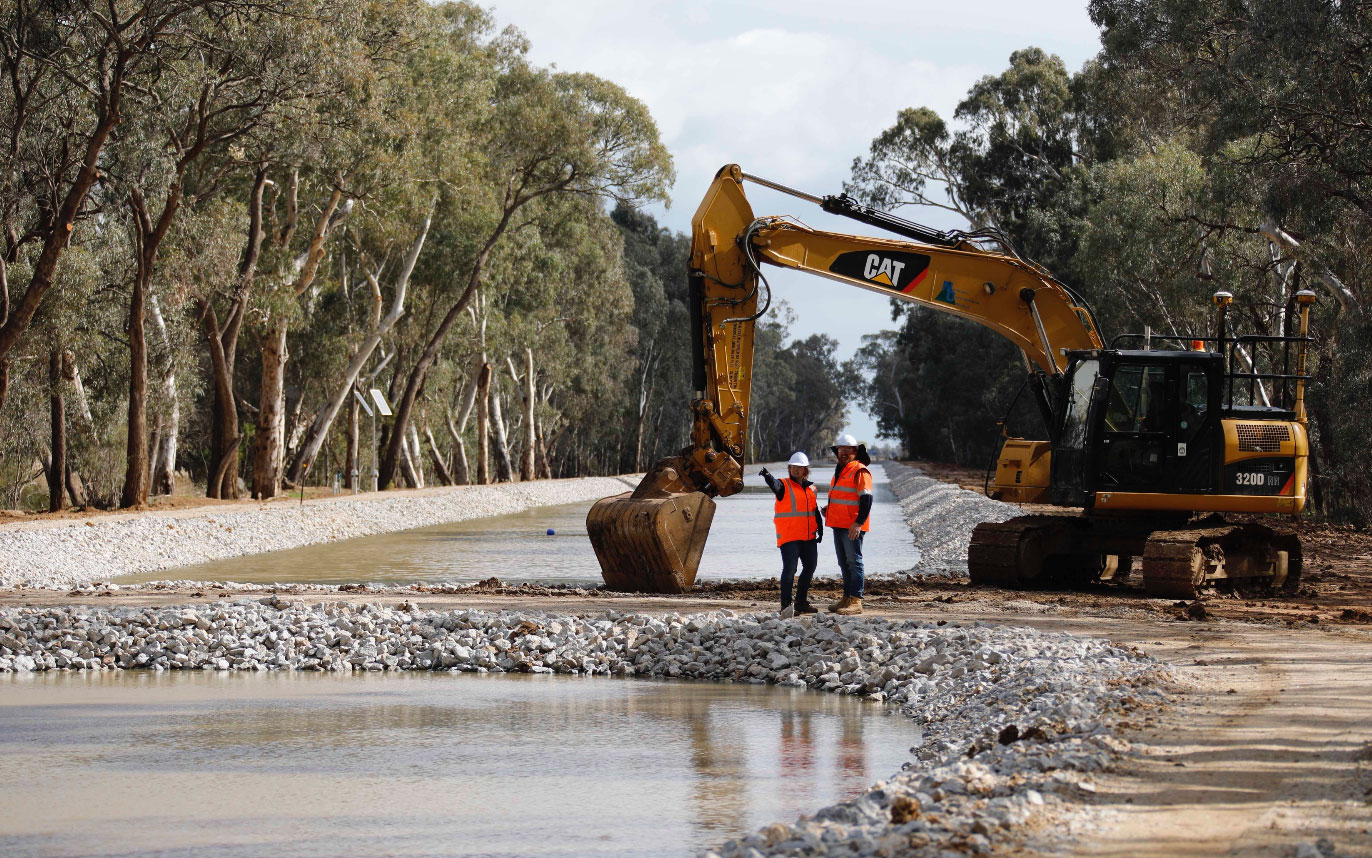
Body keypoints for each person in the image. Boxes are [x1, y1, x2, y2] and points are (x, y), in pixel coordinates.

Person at [758, 452, 823, 615]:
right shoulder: (783, 485)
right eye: (793, 466)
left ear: (805, 470)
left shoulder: (812, 488)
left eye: (799, 467)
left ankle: (801, 603)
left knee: (810, 567)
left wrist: (820, 529)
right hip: (789, 537)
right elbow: (774, 485)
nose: (795, 469)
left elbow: (814, 511)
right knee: (790, 570)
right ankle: (786, 607)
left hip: (808, 537)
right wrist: (767, 476)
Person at [822, 433, 872, 615]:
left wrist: (858, 523)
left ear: (855, 451)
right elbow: (844, 497)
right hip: (839, 525)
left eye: (847, 450)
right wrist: (830, 509)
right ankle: (846, 598)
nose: (843, 453)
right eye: (840, 450)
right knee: (844, 563)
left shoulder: (859, 470)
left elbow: (866, 499)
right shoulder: (841, 471)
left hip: (852, 527)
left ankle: (856, 601)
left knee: (854, 562)